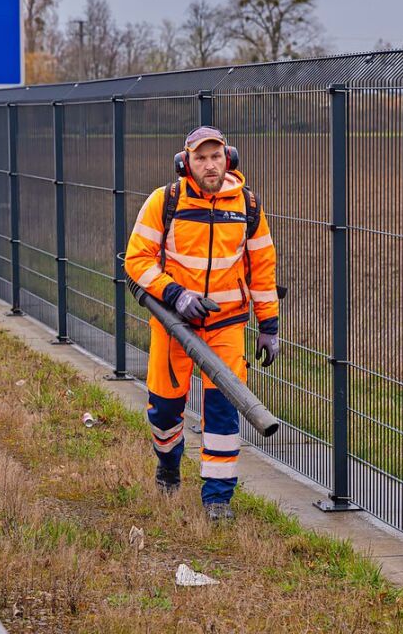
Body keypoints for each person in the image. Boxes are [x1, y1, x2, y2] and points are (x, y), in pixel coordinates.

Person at [124, 126, 280, 521]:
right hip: (174, 324)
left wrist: (269, 325)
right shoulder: (165, 201)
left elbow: (262, 268)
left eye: (216, 157)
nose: (209, 165)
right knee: (163, 409)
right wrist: (177, 295)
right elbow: (137, 260)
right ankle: (168, 464)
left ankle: (217, 499)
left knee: (223, 411)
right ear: (185, 162)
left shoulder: (247, 206)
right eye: (201, 158)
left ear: (229, 157)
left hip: (226, 326)